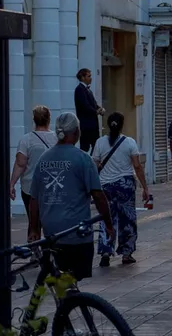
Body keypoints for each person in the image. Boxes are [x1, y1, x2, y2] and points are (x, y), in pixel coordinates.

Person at [30, 111, 113, 282]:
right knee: (72, 280)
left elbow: (34, 199)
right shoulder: (83, 159)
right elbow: (98, 195)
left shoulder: (43, 160)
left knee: (61, 280)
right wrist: (109, 224)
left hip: (52, 235)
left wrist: (34, 229)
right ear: (76, 132)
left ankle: (65, 304)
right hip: (76, 234)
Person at [91, 112, 152, 266]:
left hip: (106, 187)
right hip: (125, 186)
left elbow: (94, 165)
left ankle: (106, 250)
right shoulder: (130, 142)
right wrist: (145, 188)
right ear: (122, 125)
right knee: (128, 219)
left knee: (106, 218)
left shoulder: (100, 142)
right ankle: (126, 253)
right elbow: (137, 167)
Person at [8, 105, 54, 242]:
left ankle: (34, 249)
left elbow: (20, 164)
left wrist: (12, 184)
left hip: (29, 187)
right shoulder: (57, 139)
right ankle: (50, 248)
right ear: (49, 119)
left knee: (33, 221)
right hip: (52, 188)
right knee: (50, 219)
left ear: (34, 120)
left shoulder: (26, 140)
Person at [74, 68, 102, 153]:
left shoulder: (88, 89)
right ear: (82, 77)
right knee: (85, 147)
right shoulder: (80, 89)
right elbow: (85, 106)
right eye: (88, 76)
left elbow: (93, 103)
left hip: (92, 125)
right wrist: (96, 111)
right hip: (86, 125)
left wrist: (100, 109)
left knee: (96, 146)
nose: (91, 78)